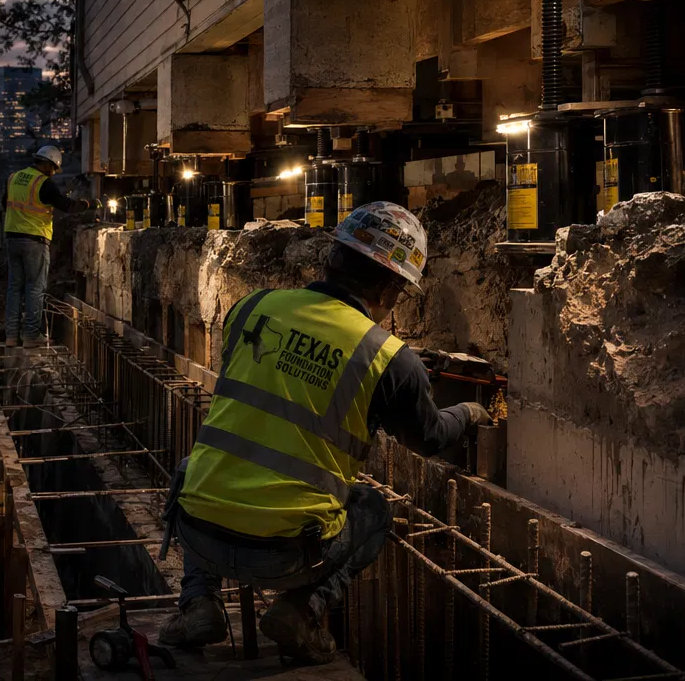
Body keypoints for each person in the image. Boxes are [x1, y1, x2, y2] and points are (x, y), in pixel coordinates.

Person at [156, 201, 492, 664]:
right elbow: (430, 437)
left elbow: (290, 369)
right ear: (394, 289)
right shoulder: (391, 361)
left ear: (330, 257)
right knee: (372, 508)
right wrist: (471, 411)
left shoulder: (251, 308)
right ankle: (300, 608)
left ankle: (198, 602)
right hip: (287, 554)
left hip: (200, 534)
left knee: (195, 471)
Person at [0, 145, 89, 347]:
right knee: (34, 288)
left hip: (12, 239)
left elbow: (5, 203)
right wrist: (88, 205)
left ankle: (11, 336)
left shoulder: (14, 178)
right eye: (54, 169)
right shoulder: (44, 183)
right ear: (48, 165)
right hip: (34, 241)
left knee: (14, 288)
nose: (54, 173)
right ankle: (31, 335)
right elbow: (67, 206)